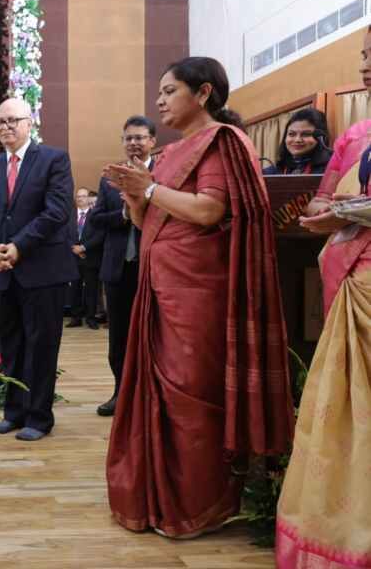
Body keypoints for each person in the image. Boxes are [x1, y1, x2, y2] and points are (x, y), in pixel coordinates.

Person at [104, 57, 294, 539]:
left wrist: (149, 188)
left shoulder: (221, 142)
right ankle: (158, 497)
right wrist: (135, 197)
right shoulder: (170, 152)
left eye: (170, 91)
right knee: (160, 393)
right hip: (160, 285)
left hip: (198, 291)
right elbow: (150, 222)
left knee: (191, 391)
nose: (160, 101)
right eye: (159, 93)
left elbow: (210, 210)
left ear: (204, 92)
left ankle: (199, 503)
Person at [276, 26, 371, 568]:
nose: (365, 67)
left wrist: (348, 210)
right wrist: (329, 211)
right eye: (363, 57)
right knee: (344, 408)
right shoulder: (357, 135)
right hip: (353, 282)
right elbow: (322, 199)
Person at [0, 97, 76, 442]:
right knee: (11, 345)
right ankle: (14, 412)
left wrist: (18, 246)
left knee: (42, 346)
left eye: (13, 120)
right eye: (0, 122)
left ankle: (39, 417)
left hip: (43, 271)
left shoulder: (53, 160)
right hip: (3, 273)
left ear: (29, 123)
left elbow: (57, 211)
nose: (6, 127)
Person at [88, 115, 156, 416]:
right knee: (118, 338)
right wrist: (126, 214)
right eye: (128, 138)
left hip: (152, 268)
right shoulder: (110, 179)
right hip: (117, 270)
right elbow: (96, 220)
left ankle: (151, 398)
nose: (134, 143)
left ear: (152, 140)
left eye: (139, 137)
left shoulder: (163, 174)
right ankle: (120, 394)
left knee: (153, 335)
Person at [67, 187, 103, 329]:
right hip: (73, 258)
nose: (80, 199)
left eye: (83, 196)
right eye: (78, 196)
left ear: (88, 198)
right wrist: (74, 248)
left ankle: (90, 318)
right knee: (74, 289)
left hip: (91, 257)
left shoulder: (96, 215)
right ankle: (75, 318)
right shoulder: (69, 215)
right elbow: (64, 234)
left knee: (91, 290)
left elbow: (100, 235)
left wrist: (83, 248)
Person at [265, 107, 332, 175]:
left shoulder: (330, 168)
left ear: (321, 136)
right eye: (291, 134)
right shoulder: (271, 172)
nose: (297, 140)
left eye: (306, 134)